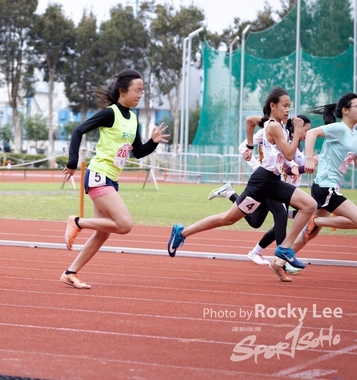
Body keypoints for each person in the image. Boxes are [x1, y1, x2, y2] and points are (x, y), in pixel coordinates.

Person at [168, 86, 317, 282]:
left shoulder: (275, 124)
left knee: (309, 205)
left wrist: (250, 145)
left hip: (274, 181)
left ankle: (285, 248)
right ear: (273, 106)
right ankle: (182, 231)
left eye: (290, 105)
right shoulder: (273, 126)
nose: (288, 109)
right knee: (228, 219)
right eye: (285, 105)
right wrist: (297, 131)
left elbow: (249, 121)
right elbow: (289, 154)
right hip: (262, 182)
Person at [61, 69, 169, 289]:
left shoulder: (134, 119)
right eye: (137, 90)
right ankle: (77, 222)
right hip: (99, 175)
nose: (140, 95)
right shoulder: (110, 114)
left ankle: (70, 273)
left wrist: (153, 142)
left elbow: (138, 152)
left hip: (110, 178)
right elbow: (78, 131)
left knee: (103, 234)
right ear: (122, 91)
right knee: (124, 224)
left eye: (142, 91)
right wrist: (72, 162)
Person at [208, 115, 312, 275]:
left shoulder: (289, 138)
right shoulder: (269, 129)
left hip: (280, 186)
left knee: (256, 221)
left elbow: (288, 161)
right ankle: (282, 262)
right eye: (306, 130)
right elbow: (244, 144)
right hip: (267, 183)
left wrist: (298, 167)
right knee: (281, 215)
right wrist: (258, 168)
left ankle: (230, 193)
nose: (308, 134)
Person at [294, 92, 357, 251]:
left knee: (311, 233)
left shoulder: (354, 135)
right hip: (326, 187)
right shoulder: (340, 128)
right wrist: (309, 159)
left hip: (327, 187)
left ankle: (281, 259)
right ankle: (316, 221)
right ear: (345, 110)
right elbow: (311, 133)